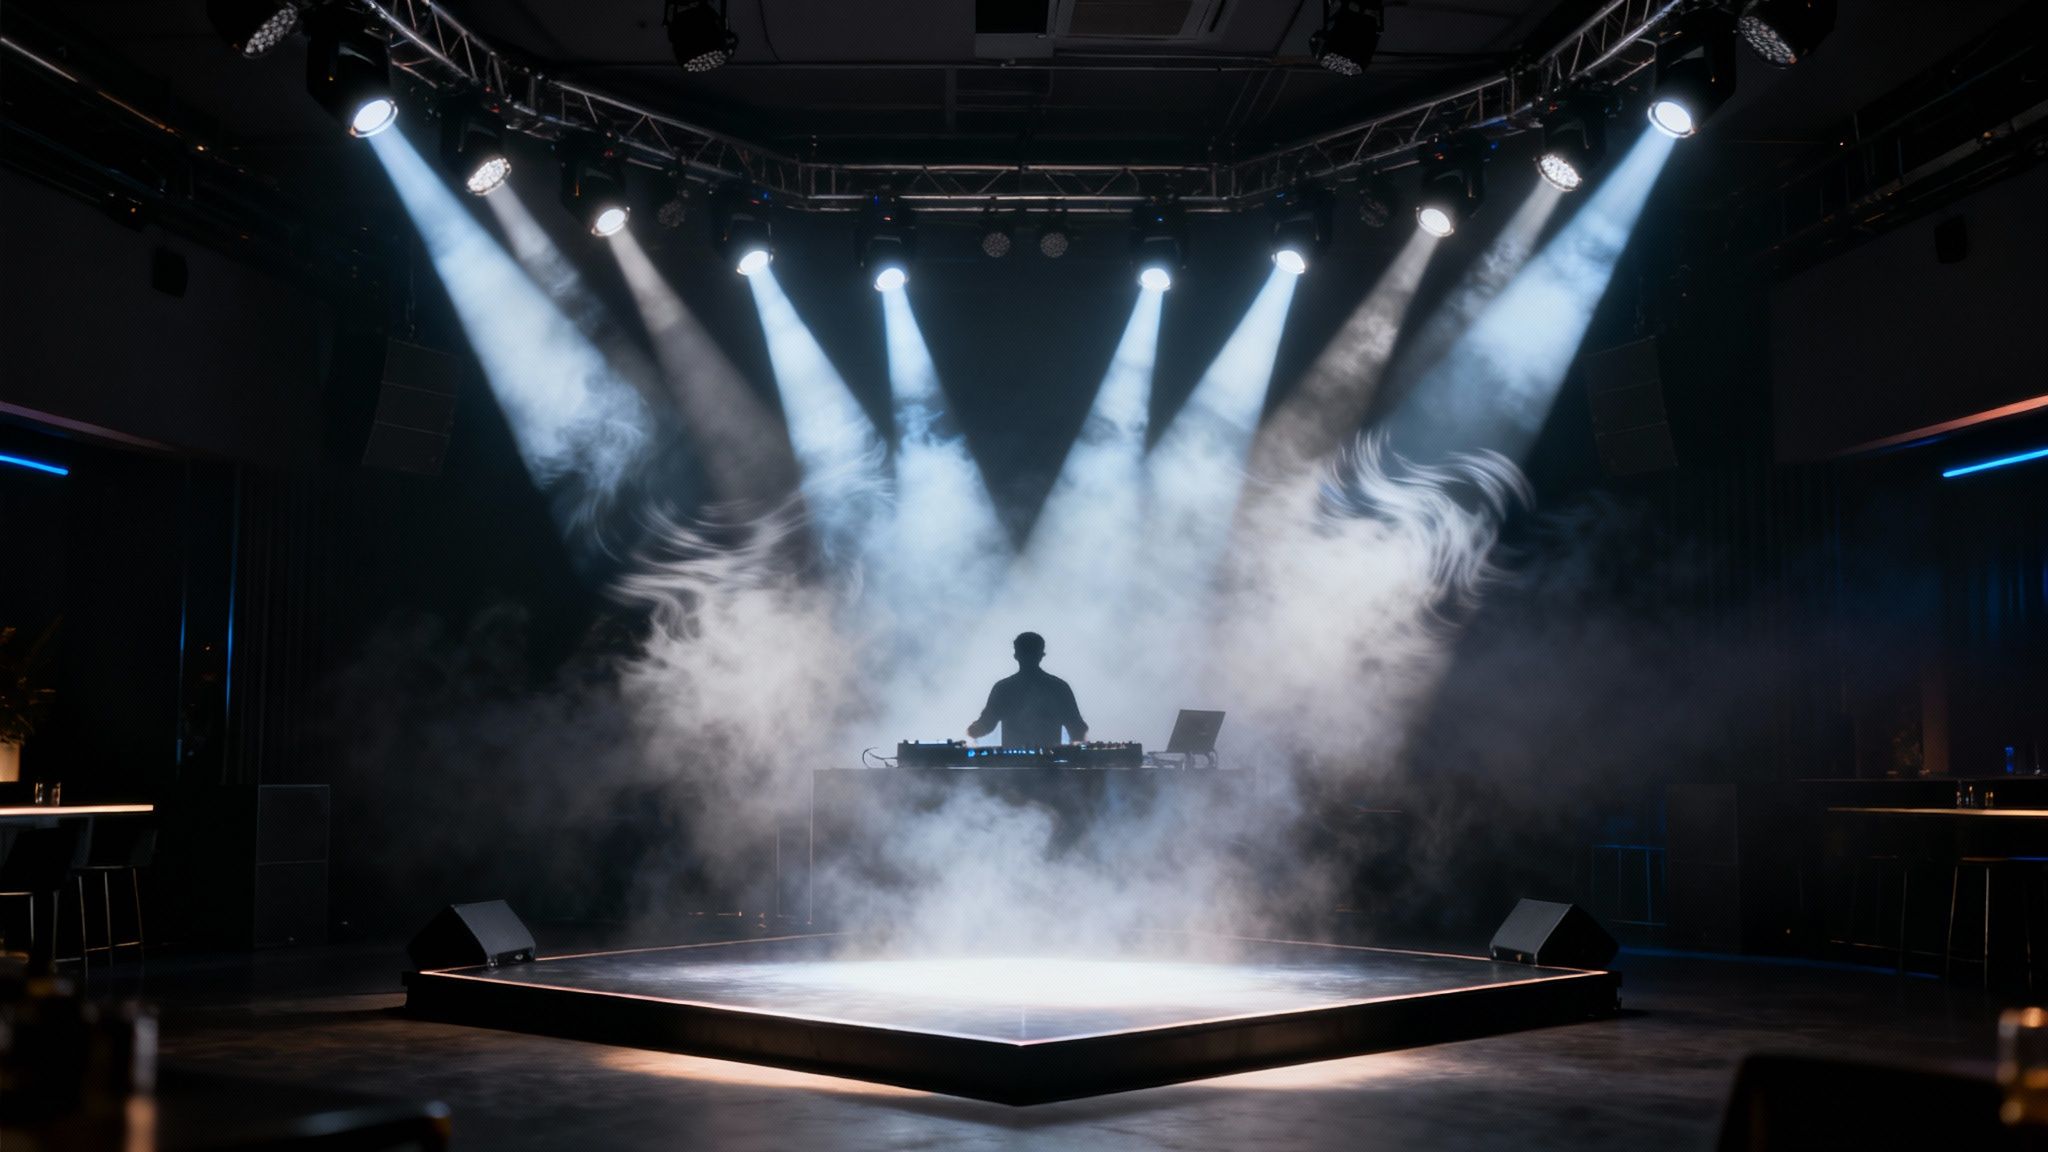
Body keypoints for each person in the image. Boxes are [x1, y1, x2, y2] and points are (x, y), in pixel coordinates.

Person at [966, 632, 1088, 748]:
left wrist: (972, 731)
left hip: (1012, 765)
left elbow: (986, 725)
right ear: (1041, 655)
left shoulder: (1003, 688)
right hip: (1051, 765)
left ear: (1016, 656)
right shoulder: (1059, 687)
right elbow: (1077, 728)